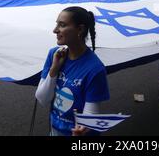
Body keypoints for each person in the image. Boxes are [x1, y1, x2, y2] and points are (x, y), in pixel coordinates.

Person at [35, 7, 110, 136]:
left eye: (62, 25)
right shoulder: (55, 54)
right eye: (57, 24)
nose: (55, 30)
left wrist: (83, 129)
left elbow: (90, 117)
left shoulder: (95, 69)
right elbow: (42, 98)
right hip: (55, 129)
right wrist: (54, 70)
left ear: (80, 29)